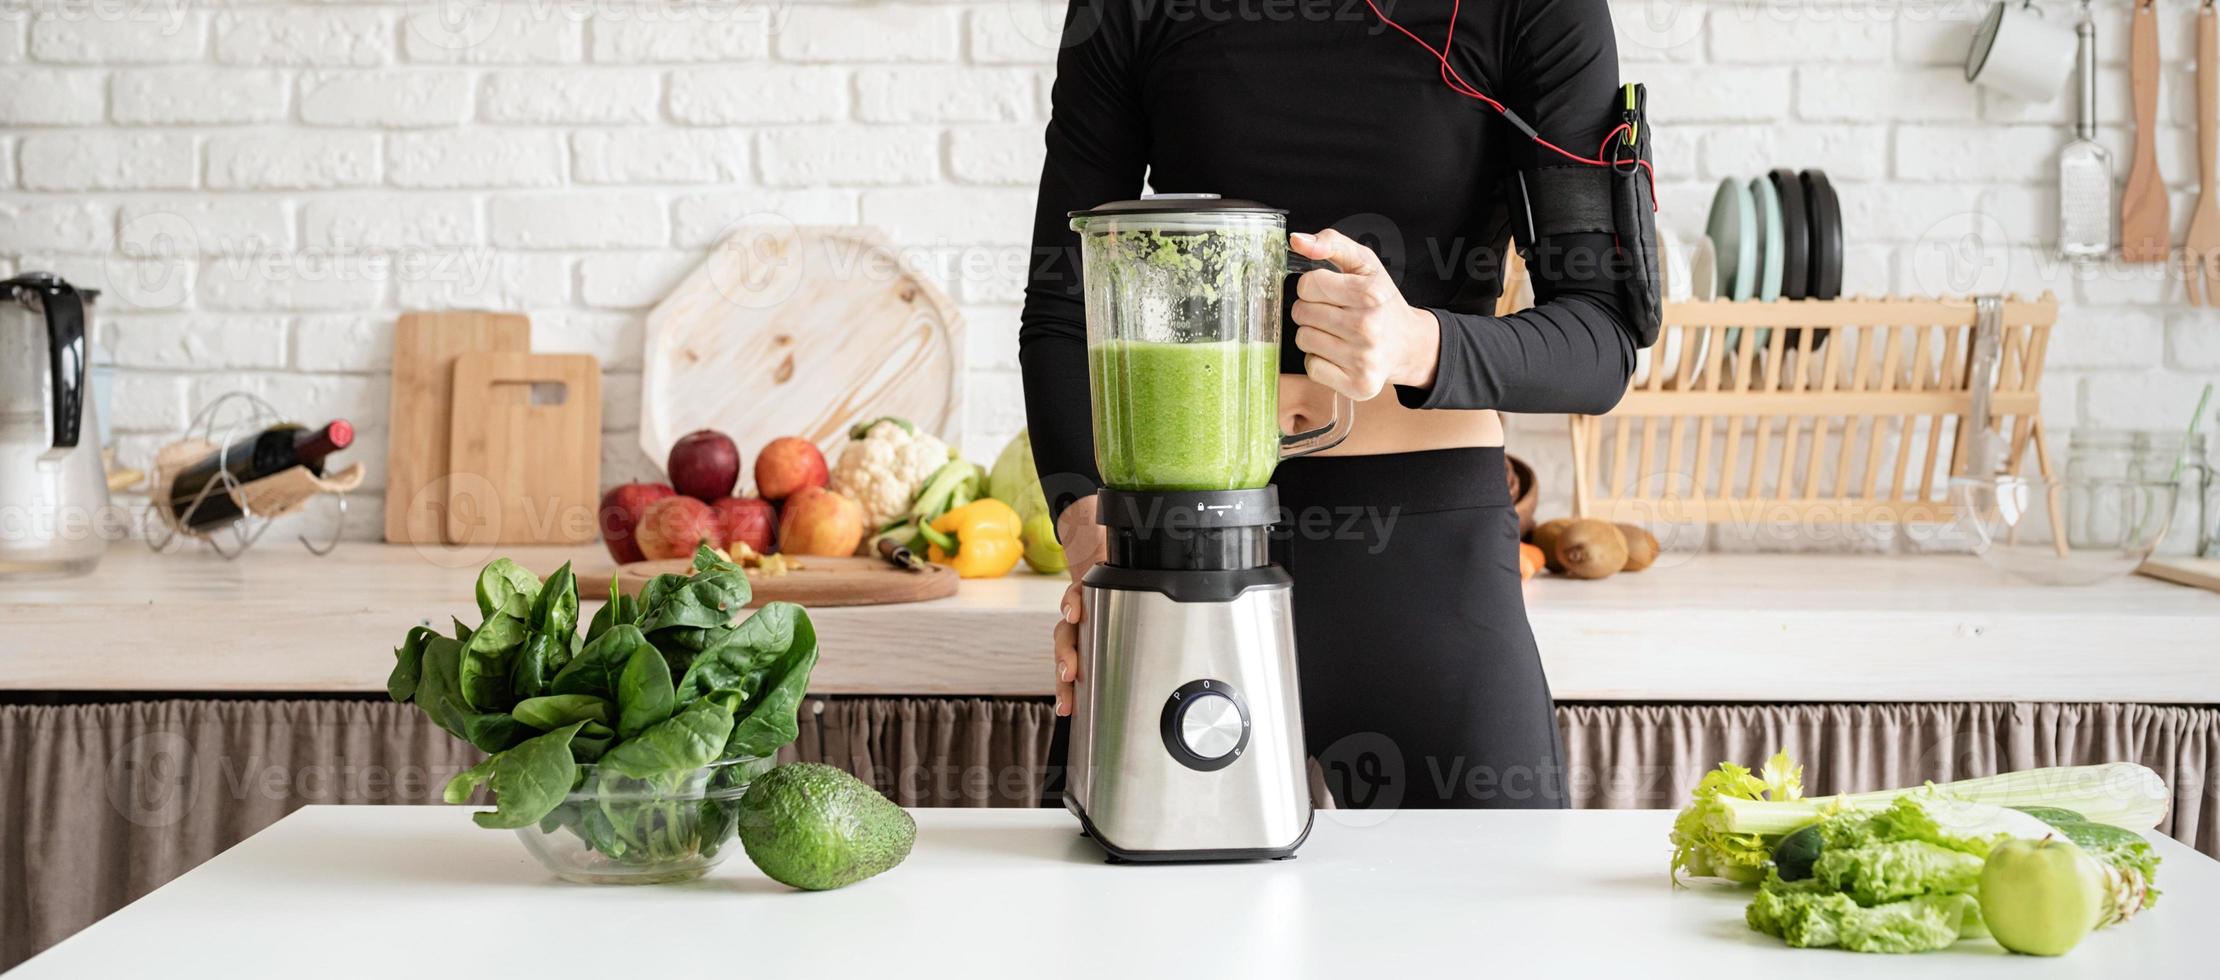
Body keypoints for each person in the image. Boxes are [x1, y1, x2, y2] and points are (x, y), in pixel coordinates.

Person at [1019, 0, 1643, 809]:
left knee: (1492, 921)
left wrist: (1418, 342)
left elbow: (1601, 337)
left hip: (1425, 558)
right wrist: (1083, 516)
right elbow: (1065, 306)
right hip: (1183, 542)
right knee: (1127, 924)